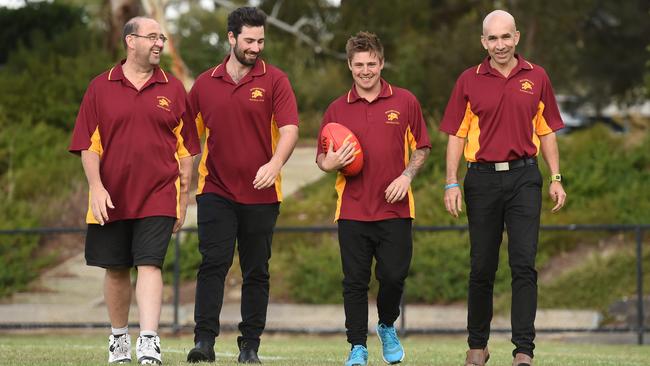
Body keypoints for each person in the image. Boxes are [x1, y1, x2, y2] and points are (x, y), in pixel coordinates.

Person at [69, 16, 200, 365]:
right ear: (131, 40)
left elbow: (186, 152)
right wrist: (95, 187)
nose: (159, 43)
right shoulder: (100, 86)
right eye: (152, 37)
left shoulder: (174, 89)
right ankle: (118, 339)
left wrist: (183, 202)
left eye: (162, 36)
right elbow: (88, 145)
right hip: (109, 196)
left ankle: (149, 341)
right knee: (115, 268)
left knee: (149, 264)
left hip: (159, 194)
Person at [439, 10, 567, 366]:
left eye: (505, 37)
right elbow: (455, 136)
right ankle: (477, 346)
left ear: (517, 37)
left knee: (524, 265)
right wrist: (451, 182)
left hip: (525, 178)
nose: (499, 45)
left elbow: (547, 132)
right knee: (482, 266)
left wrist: (556, 178)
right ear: (483, 42)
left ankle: (523, 351)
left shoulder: (537, 77)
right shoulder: (468, 80)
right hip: (480, 180)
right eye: (492, 38)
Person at [185, 7, 299, 364]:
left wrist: (275, 163)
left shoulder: (275, 80)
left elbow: (291, 129)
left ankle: (250, 345)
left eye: (261, 40)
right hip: (215, 190)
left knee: (256, 270)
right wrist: (181, 190)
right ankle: (204, 342)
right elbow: (189, 141)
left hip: (262, 194)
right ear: (231, 38)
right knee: (213, 264)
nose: (256, 47)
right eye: (249, 40)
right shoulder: (204, 84)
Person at [316, 31, 431, 366]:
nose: (365, 70)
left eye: (371, 63)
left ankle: (385, 324)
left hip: (395, 209)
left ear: (381, 63)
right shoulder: (336, 109)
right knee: (354, 281)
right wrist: (331, 163)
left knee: (394, 276)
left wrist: (406, 175)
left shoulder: (405, 101)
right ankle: (357, 346)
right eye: (358, 65)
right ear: (350, 66)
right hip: (352, 209)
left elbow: (422, 147)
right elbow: (322, 159)